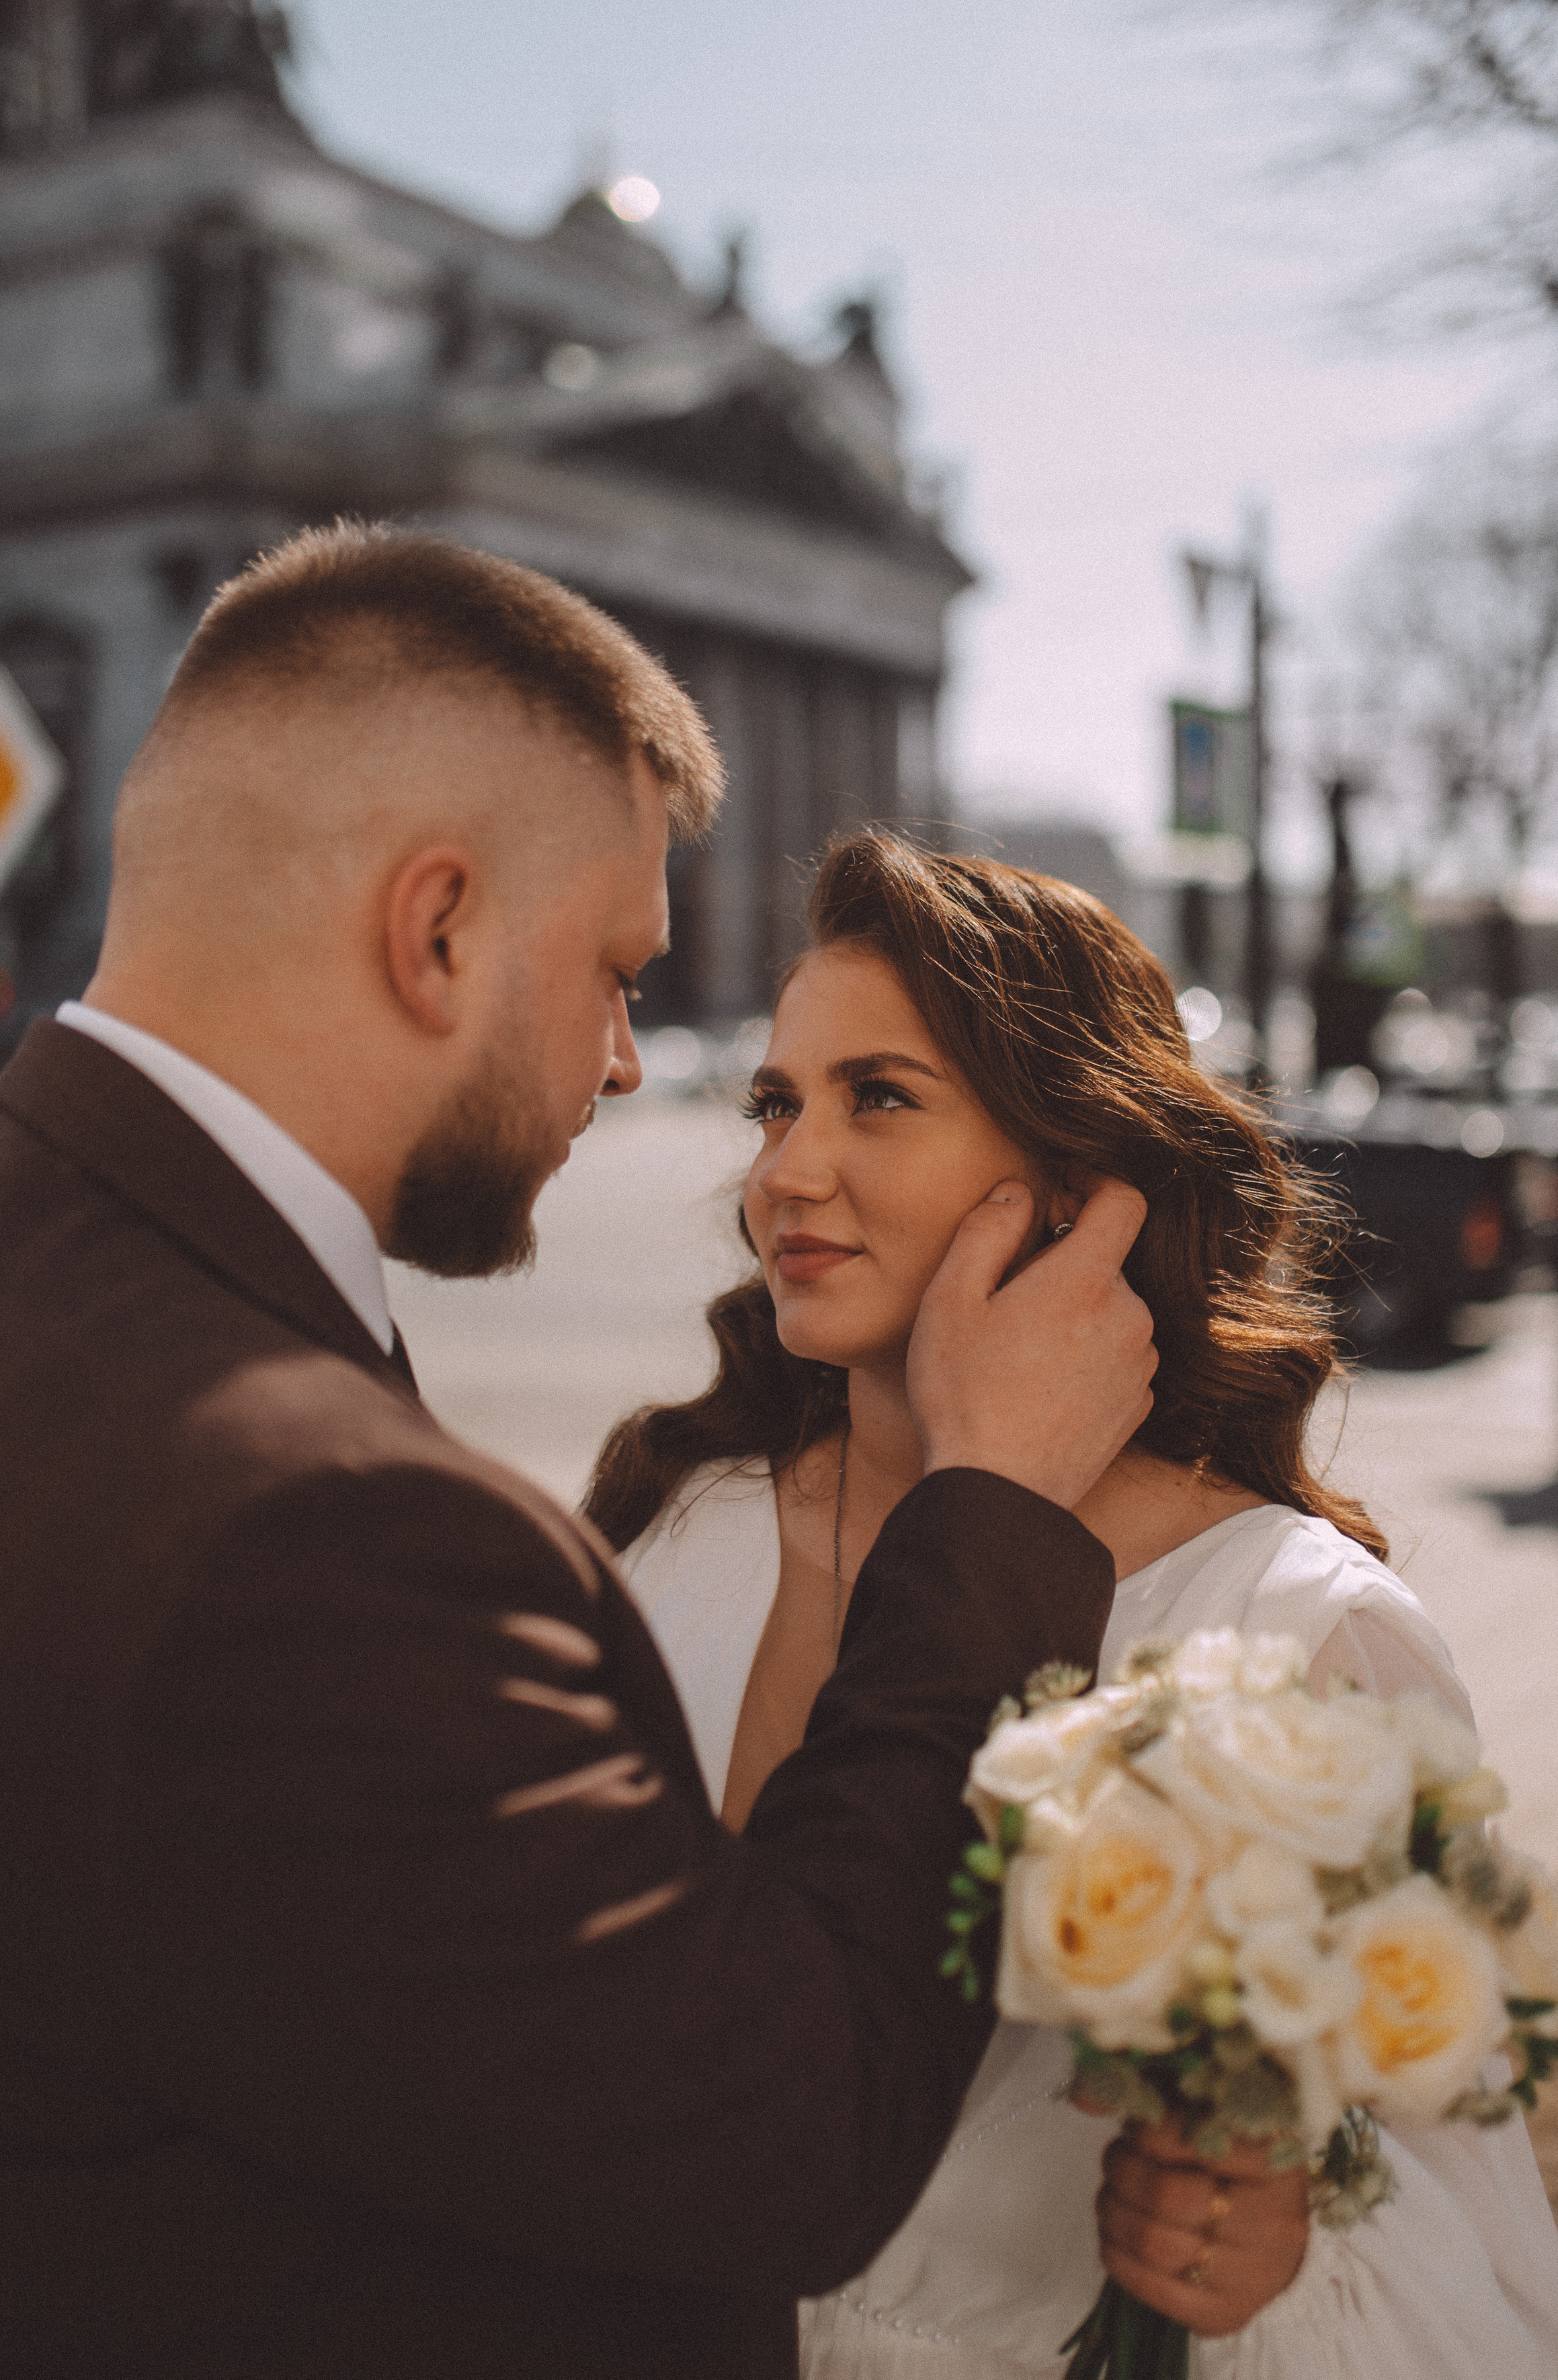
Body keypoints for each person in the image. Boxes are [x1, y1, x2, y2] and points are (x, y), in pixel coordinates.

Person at [0, 524, 1302, 2380]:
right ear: (436, 930)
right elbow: (780, 2135)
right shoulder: (320, 1533)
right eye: (616, 968)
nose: (625, 1064)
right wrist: (991, 1509)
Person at [598, 828, 1558, 2380]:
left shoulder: (1294, 1631)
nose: (782, 1170)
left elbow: (1477, 2256)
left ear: (1073, 1180)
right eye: (776, 1102)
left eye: (876, 1097)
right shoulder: (680, 1523)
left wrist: (1274, 2249)